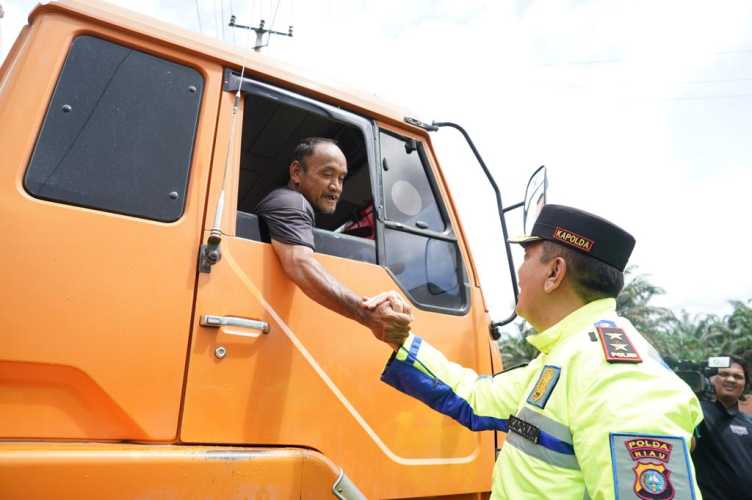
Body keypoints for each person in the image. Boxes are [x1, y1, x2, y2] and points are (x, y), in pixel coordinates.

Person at [365, 204, 703, 499]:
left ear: (555, 273)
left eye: (526, 257)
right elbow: (476, 398)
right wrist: (401, 339)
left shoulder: (619, 375)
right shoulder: (562, 357)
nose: (520, 272)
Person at [255, 137, 411, 345]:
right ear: (296, 173)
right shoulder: (292, 202)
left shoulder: (292, 204)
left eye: (341, 178)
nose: (336, 186)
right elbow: (300, 264)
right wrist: (367, 314)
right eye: (327, 174)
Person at [692, 355, 752, 500]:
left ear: (745, 384)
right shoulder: (697, 412)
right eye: (724, 374)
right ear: (711, 379)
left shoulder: (749, 423)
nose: (731, 379)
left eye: (738, 376)